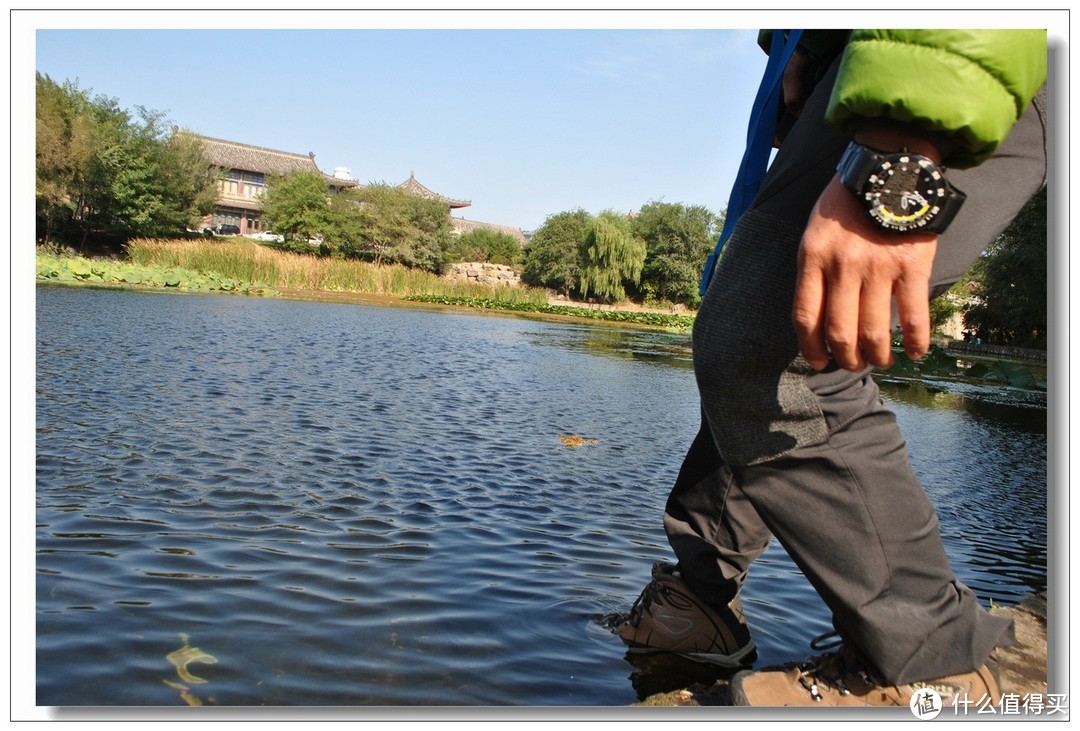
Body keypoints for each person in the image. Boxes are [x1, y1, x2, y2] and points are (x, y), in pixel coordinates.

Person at [614, 29, 1047, 707]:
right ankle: (700, 598)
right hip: (875, 55)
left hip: (969, 53)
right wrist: (809, 48)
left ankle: (936, 667)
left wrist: (901, 150)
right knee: (747, 324)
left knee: (777, 339)